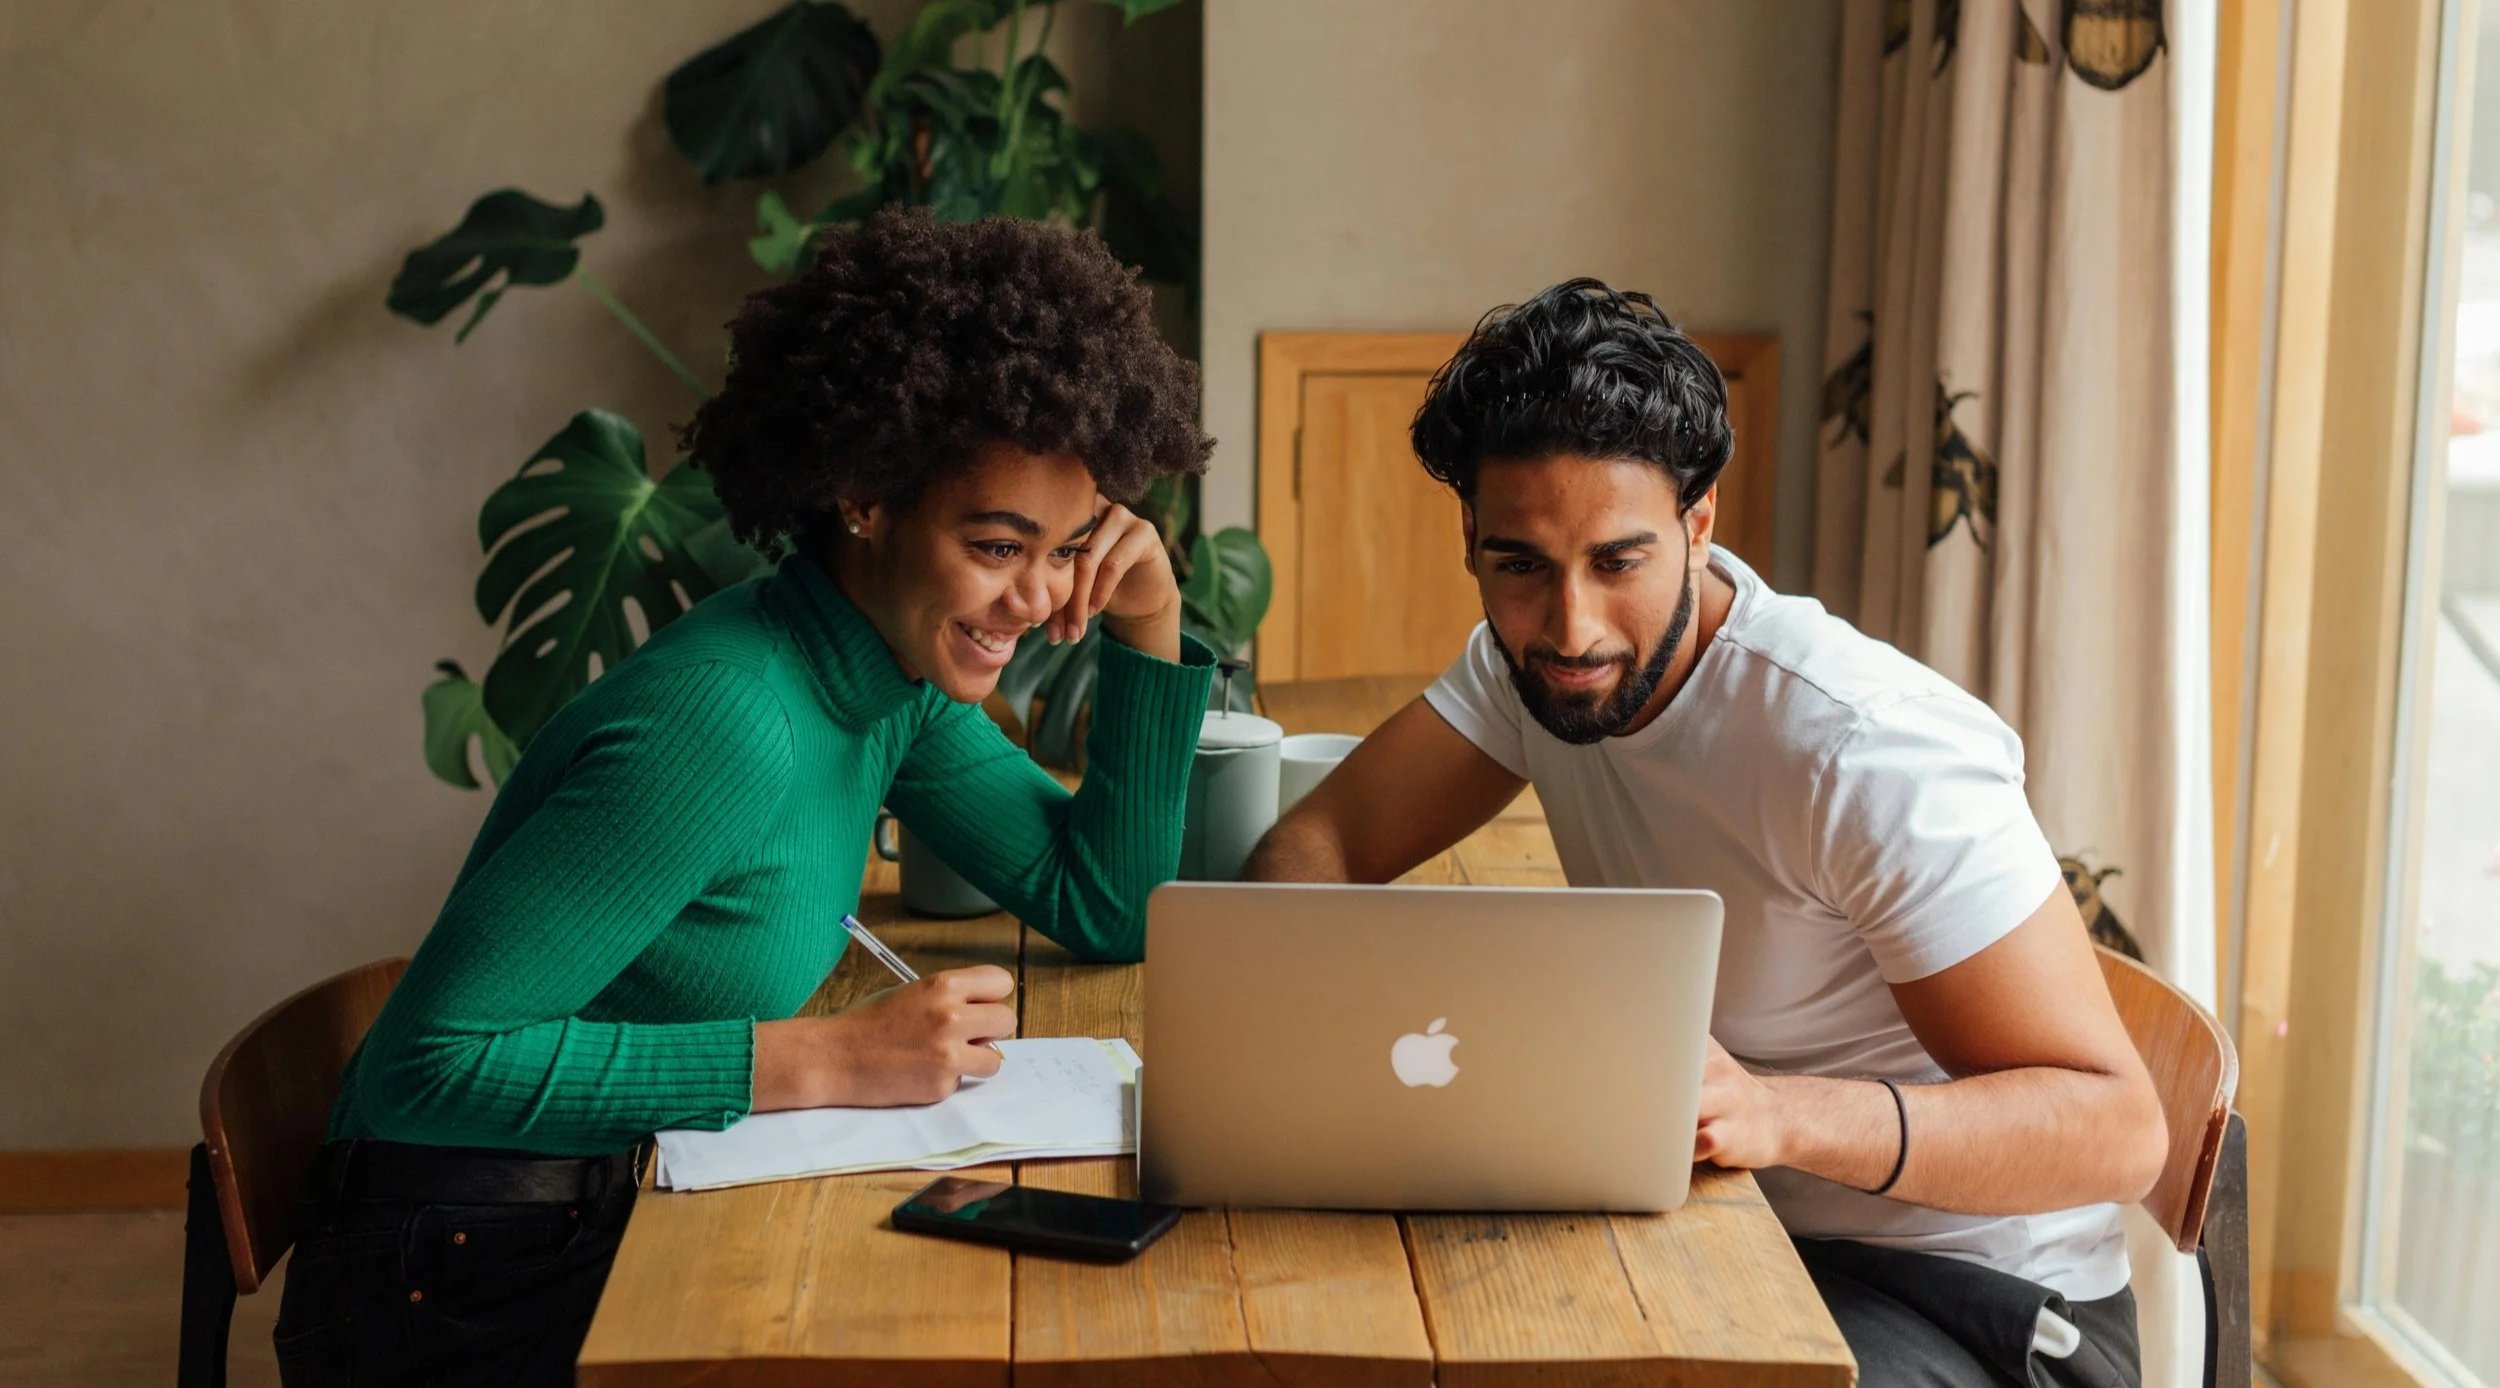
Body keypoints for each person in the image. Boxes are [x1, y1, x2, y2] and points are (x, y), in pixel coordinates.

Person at [274, 209, 1219, 1386]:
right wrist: (827, 1057)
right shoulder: (725, 723)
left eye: (1068, 546)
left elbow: (1103, 903)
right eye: (996, 545)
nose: (1036, 597)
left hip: (614, 1202)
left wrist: (1146, 618)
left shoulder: (886, 676)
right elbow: (428, 1066)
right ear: (868, 495)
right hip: (461, 1273)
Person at [1246, 279, 2166, 1385]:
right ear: (1472, 540)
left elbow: (2118, 1128)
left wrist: (1779, 1114)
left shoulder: (1861, 748)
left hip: (1980, 1303)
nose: (1570, 625)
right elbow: (1325, 843)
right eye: (1520, 565)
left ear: (1699, 521)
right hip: (1726, 1229)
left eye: (1617, 562)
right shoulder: (1524, 662)